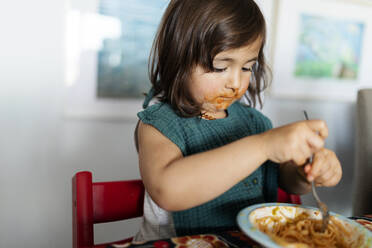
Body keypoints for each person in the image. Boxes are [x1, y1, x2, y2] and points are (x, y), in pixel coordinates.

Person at [133, 0, 342, 242]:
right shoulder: (158, 123)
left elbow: (288, 182)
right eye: (220, 67)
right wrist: (264, 146)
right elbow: (167, 190)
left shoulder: (255, 123)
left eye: (246, 67)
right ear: (178, 58)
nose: (235, 82)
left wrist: (307, 171)